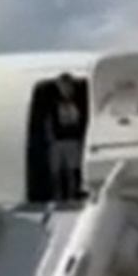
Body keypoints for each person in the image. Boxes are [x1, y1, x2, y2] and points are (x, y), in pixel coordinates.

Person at [48, 72, 84, 204]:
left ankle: (72, 196)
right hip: (58, 140)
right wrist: (51, 138)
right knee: (56, 171)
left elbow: (80, 120)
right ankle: (57, 196)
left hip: (72, 139)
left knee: (72, 170)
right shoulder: (53, 102)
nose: (65, 89)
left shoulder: (78, 102)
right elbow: (49, 120)